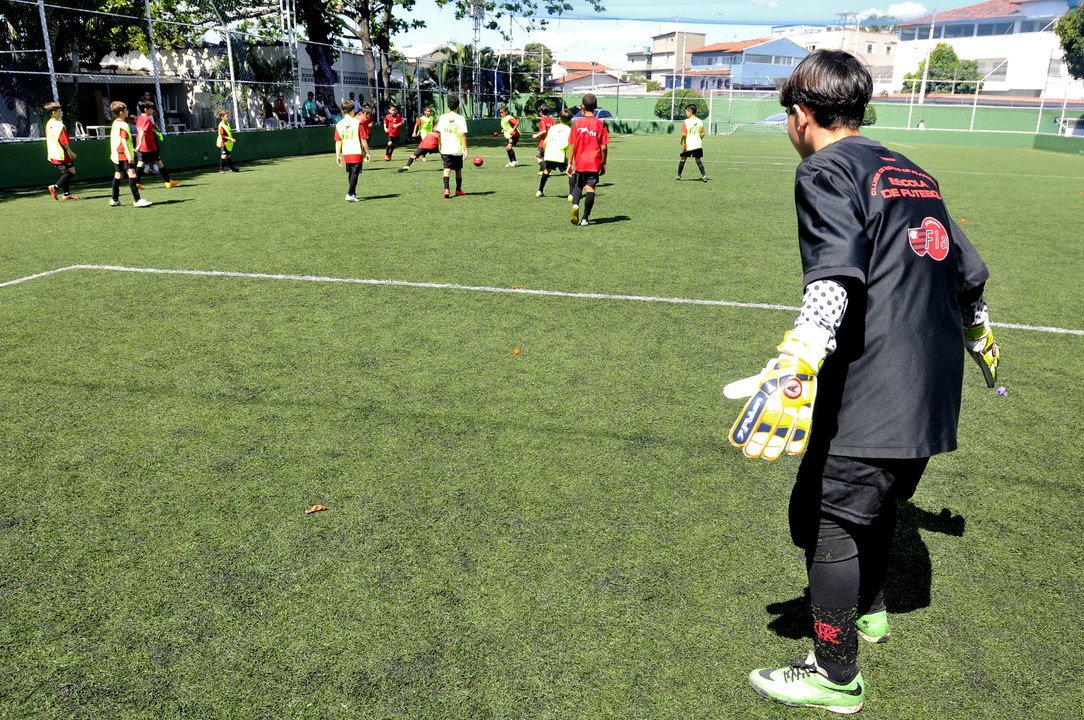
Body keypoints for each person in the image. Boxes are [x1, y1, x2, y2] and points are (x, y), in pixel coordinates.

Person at [723, 50, 1000, 715]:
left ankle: (834, 671)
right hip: (931, 388)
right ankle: (869, 608)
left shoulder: (823, 169)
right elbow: (968, 271)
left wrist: (798, 356)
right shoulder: (911, 170)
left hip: (877, 384)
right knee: (866, 505)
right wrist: (981, 336)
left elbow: (834, 277)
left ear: (800, 116)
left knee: (830, 524)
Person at [568, 93, 608, 226]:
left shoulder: (576, 123)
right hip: (594, 162)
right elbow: (603, 147)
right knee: (590, 188)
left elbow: (572, 145)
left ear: (582, 106)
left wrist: (569, 162)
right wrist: (603, 163)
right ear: (596, 107)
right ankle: (585, 218)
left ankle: (575, 205)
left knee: (579, 185)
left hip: (580, 161)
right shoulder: (601, 125)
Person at [108, 101, 151, 207]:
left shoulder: (115, 123)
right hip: (123, 154)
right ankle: (137, 200)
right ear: (121, 112)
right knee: (132, 175)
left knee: (118, 175)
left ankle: (114, 199)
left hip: (116, 154)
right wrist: (129, 154)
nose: (128, 111)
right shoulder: (123, 125)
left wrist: (131, 149)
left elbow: (119, 140)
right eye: (126, 110)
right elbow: (123, 140)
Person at [135, 101, 179, 189]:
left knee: (140, 163)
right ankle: (167, 182)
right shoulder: (147, 119)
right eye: (151, 109)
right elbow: (142, 131)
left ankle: (136, 183)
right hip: (149, 146)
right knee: (159, 163)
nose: (152, 111)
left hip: (144, 146)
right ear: (145, 109)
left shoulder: (140, 118)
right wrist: (139, 144)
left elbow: (144, 127)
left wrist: (154, 127)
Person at [335, 100, 372, 202]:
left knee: (351, 173)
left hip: (346, 152)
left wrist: (338, 155)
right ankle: (350, 193)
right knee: (355, 173)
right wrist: (368, 153)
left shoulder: (339, 124)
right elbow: (363, 139)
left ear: (342, 111)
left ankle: (353, 193)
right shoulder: (357, 123)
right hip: (356, 151)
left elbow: (338, 141)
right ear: (352, 111)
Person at [43, 101, 80, 201]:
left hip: (53, 153)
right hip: (61, 153)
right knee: (72, 172)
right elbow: (64, 141)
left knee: (65, 172)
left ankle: (66, 194)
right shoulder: (58, 125)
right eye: (60, 110)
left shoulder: (49, 123)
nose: (62, 112)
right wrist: (71, 152)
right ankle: (55, 187)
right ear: (54, 112)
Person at [536, 107, 574, 199]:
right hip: (561, 155)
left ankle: (539, 191)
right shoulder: (570, 130)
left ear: (559, 118)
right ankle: (571, 194)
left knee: (546, 171)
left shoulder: (553, 128)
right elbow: (571, 144)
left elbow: (545, 141)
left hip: (551, 154)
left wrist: (546, 152)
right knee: (571, 172)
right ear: (569, 120)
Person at [435, 95, 468, 198]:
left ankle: (446, 189)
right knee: (458, 169)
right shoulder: (460, 118)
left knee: (446, 168)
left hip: (445, 148)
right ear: (458, 105)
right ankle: (458, 190)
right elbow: (462, 134)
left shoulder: (442, 117)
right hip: (457, 148)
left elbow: (438, 133)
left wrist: (439, 145)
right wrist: (465, 149)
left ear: (448, 105)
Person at [676, 103, 708, 182]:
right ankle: (704, 175)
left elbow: (684, 134)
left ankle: (678, 176)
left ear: (690, 112)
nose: (685, 113)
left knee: (683, 159)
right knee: (698, 160)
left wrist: (681, 140)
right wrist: (698, 139)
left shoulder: (686, 122)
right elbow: (703, 134)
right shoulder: (700, 121)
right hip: (697, 145)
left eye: (686, 111)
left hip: (688, 145)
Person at [532, 104, 556, 175]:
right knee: (544, 157)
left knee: (538, 157)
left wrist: (536, 135)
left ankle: (546, 170)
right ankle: (541, 171)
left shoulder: (542, 120)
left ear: (541, 112)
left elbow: (544, 131)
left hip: (543, 142)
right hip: (551, 141)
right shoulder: (552, 120)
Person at [216, 108, 239, 173]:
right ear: (222, 117)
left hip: (227, 143)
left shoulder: (227, 123)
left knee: (228, 155)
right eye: (226, 116)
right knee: (224, 155)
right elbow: (222, 135)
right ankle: (221, 169)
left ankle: (231, 168)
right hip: (222, 142)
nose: (228, 117)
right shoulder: (221, 125)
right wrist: (231, 139)